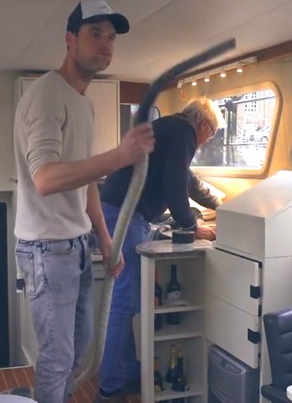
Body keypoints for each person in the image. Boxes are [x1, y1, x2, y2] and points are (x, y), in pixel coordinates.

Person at [13, 0, 155, 403]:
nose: (105, 44)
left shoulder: (84, 103)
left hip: (76, 245)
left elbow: (85, 179)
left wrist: (106, 240)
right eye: (95, 34)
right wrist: (121, 155)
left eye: (111, 37)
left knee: (75, 354)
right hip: (46, 249)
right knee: (58, 359)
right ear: (70, 39)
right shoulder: (47, 95)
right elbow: (45, 179)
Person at [94, 98, 225, 402]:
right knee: (124, 303)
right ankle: (108, 389)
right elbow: (174, 185)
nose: (207, 141)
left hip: (121, 210)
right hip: (126, 213)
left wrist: (224, 205)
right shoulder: (184, 131)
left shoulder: (171, 128)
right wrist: (191, 226)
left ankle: (126, 373)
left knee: (125, 302)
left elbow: (188, 182)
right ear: (203, 124)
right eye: (211, 133)